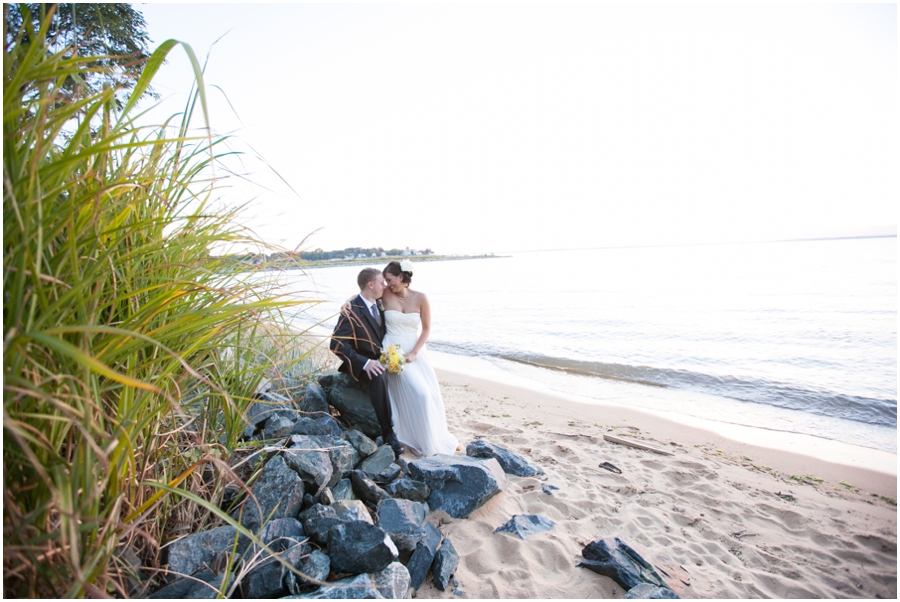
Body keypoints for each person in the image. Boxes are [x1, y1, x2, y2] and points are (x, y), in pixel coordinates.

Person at [377, 260, 459, 456]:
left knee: (431, 394)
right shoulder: (386, 294)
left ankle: (435, 438)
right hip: (392, 351)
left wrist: (414, 352)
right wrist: (349, 301)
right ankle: (415, 439)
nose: (388, 284)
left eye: (390, 279)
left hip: (415, 351)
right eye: (385, 280)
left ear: (402, 277)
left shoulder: (421, 298)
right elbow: (365, 295)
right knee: (421, 395)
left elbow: (427, 329)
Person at [330, 268, 403, 457]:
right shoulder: (351, 310)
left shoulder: (379, 302)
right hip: (360, 364)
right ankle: (388, 433)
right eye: (381, 282)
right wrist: (364, 363)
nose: (385, 286)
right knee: (377, 375)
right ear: (371, 285)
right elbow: (336, 344)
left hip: (384, 358)